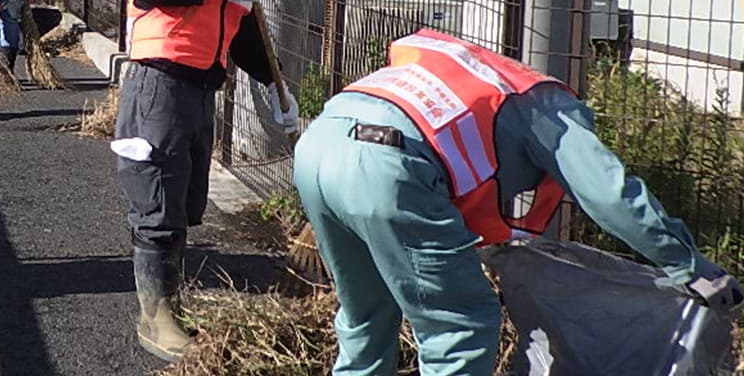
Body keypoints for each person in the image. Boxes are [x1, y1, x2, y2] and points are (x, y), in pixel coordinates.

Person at [293, 28, 744, 375]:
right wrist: (689, 266)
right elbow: (610, 192)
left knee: (367, 317)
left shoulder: (470, 72)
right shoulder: (549, 109)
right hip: (390, 168)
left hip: (318, 145)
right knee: (460, 325)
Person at [114, 0, 303, 362]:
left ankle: (171, 302)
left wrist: (275, 85)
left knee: (184, 201)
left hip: (202, 82)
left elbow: (243, 31)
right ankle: (155, 318)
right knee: (157, 196)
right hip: (161, 77)